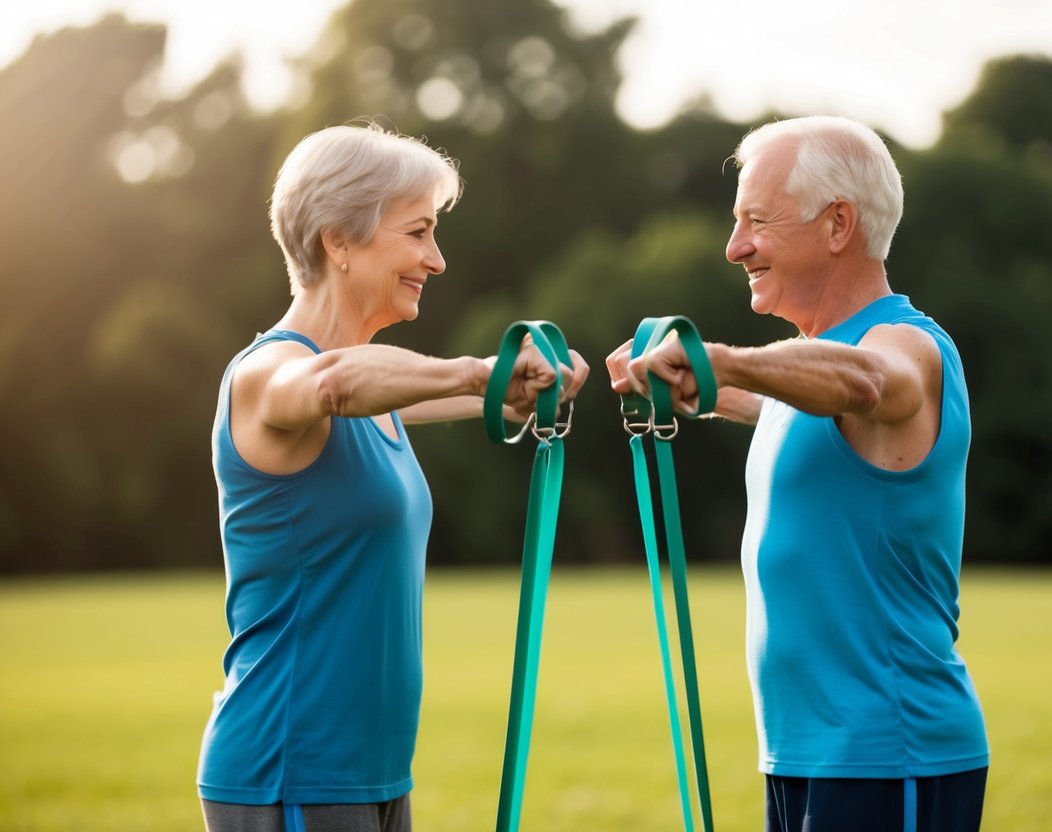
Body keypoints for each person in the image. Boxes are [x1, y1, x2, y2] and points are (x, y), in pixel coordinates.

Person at [197, 122, 589, 832]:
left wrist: (536, 382)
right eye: (417, 233)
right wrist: (479, 369)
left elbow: (473, 394)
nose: (435, 260)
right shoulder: (269, 377)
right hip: (289, 766)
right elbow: (335, 381)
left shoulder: (380, 394)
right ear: (337, 240)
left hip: (368, 772)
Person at [607, 116, 989, 831]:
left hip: (889, 756)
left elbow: (868, 385)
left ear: (838, 223)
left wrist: (721, 360)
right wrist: (699, 389)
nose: (734, 246)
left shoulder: (905, 345)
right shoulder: (811, 374)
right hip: (803, 758)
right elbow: (797, 405)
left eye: (756, 220)